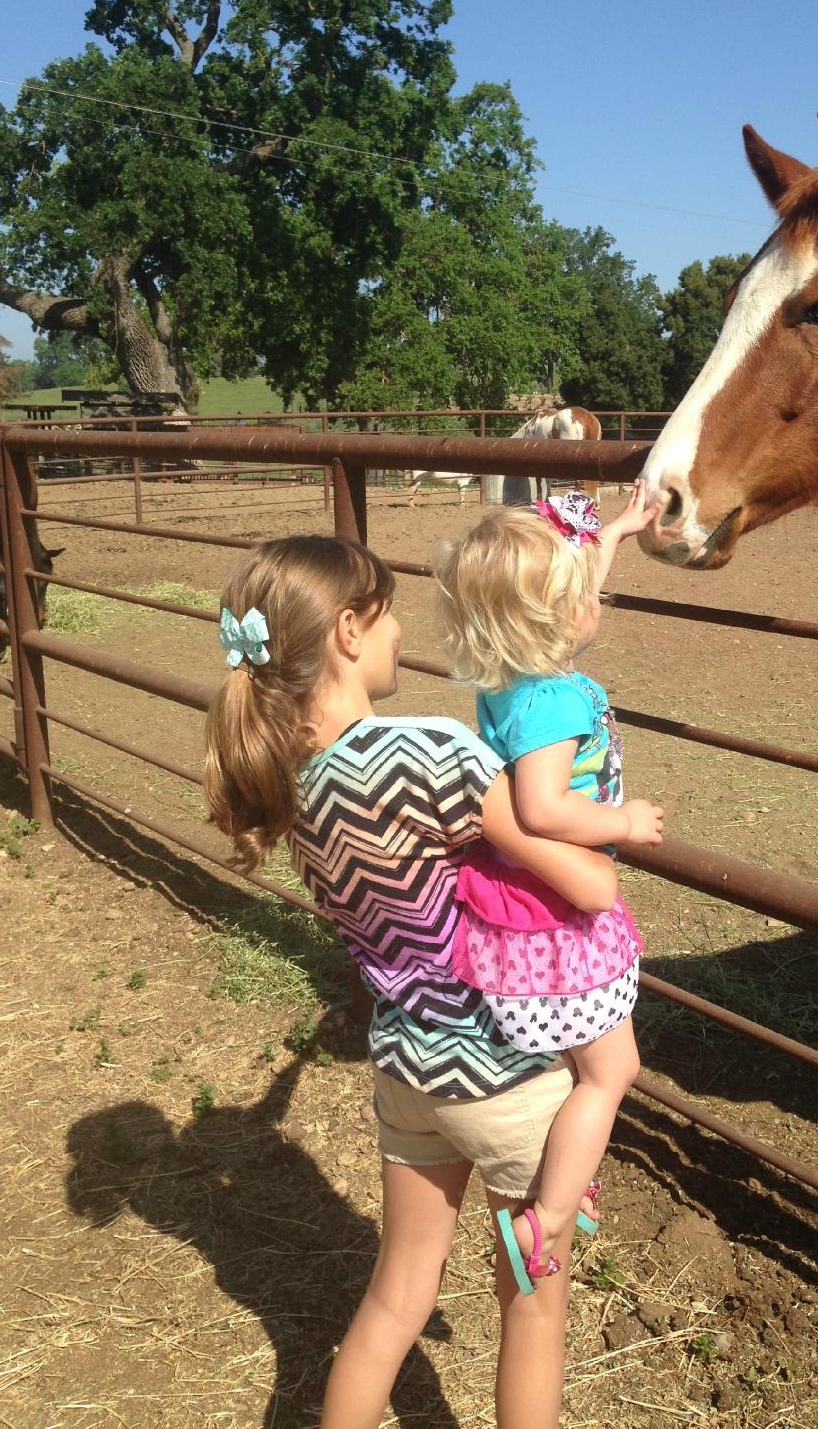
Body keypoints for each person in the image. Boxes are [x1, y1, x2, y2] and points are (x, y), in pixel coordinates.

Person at [203, 534, 622, 1429]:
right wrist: (615, 834)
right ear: (349, 631)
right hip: (506, 1070)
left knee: (395, 1298)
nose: (401, 634)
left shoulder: (290, 777)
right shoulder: (433, 753)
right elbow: (579, 875)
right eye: (388, 613)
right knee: (531, 1305)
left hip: (404, 1065)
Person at [433, 482, 664, 1289]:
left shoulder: (512, 675)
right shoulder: (556, 698)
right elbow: (542, 805)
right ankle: (550, 1214)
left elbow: (565, 593)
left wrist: (619, 533)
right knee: (611, 1073)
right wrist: (623, 823)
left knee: (585, 1066)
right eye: (581, 594)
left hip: (523, 906)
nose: (592, 602)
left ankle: (558, 1182)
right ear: (560, 616)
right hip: (558, 915)